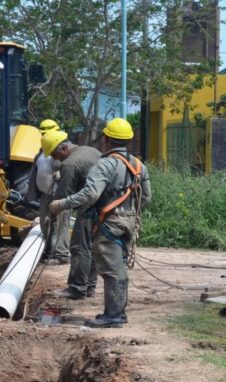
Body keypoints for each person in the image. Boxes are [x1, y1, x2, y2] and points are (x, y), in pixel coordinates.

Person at [49, 118, 151, 328]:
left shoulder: (105, 164)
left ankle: (113, 316)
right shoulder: (139, 165)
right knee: (118, 266)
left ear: (105, 139)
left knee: (112, 271)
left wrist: (61, 204)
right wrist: (129, 213)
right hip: (129, 223)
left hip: (108, 224)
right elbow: (147, 197)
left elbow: (90, 194)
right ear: (129, 140)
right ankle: (117, 312)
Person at [41, 130, 102, 300]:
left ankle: (76, 288)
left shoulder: (69, 164)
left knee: (79, 247)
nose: (55, 159)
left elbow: (63, 198)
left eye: (54, 155)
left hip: (89, 208)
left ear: (63, 149)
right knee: (92, 247)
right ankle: (89, 286)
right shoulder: (91, 151)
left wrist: (51, 215)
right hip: (107, 207)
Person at [36, 119, 70, 265]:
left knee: (60, 224)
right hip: (45, 194)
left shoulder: (61, 150)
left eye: (46, 133)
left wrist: (59, 173)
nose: (44, 136)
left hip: (59, 195)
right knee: (45, 223)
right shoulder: (42, 151)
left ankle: (61, 255)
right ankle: (48, 251)